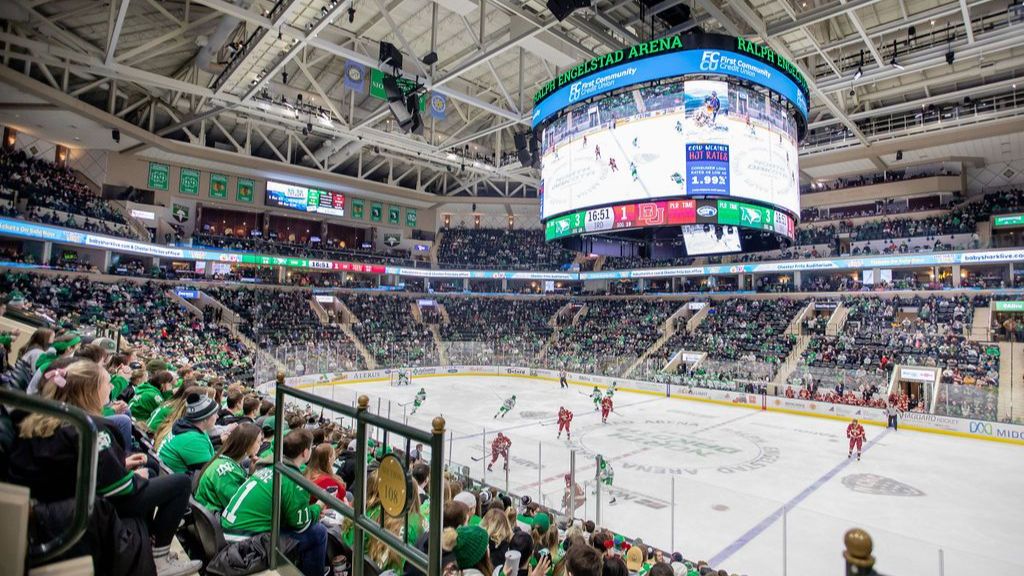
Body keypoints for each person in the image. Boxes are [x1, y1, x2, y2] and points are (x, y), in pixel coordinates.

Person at [9, 359, 200, 575]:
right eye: (107, 383)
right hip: (84, 509)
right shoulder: (90, 427)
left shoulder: (43, 418)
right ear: (90, 391)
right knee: (180, 482)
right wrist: (137, 476)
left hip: (55, 506)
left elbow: (75, 466)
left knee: (154, 470)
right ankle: (160, 558)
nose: (111, 388)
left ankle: (151, 543)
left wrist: (123, 463)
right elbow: (119, 489)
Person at [221, 429, 328, 576]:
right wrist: (317, 507)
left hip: (230, 531)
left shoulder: (268, 467)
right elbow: (301, 525)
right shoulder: (293, 479)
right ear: (305, 452)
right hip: (246, 544)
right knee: (318, 532)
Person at [194, 422, 262, 513]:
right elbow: (238, 506)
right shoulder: (226, 471)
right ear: (247, 444)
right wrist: (253, 477)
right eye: (258, 441)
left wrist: (251, 473)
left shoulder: (225, 459)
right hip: (216, 518)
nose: (260, 444)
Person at [156, 392, 219, 475]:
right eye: (215, 414)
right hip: (179, 484)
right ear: (205, 418)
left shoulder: (186, 427)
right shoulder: (193, 439)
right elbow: (209, 474)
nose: (217, 416)